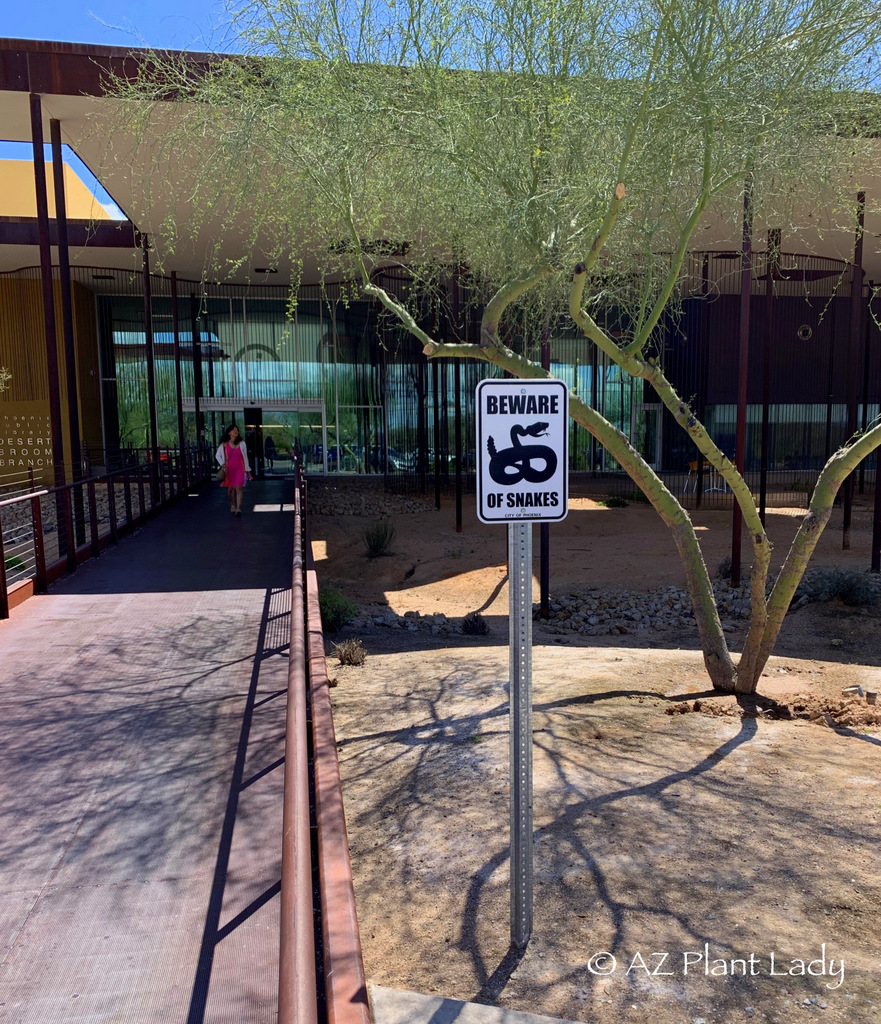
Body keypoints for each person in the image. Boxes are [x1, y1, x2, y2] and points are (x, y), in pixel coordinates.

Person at [216, 424, 252, 515]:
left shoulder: (242, 443)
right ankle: (232, 505)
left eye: (237, 430)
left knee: (239, 488)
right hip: (229, 470)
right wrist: (223, 464)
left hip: (240, 469)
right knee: (231, 489)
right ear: (229, 432)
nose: (236, 432)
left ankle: (238, 508)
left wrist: (247, 470)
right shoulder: (224, 444)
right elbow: (217, 455)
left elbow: (245, 457)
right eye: (234, 430)